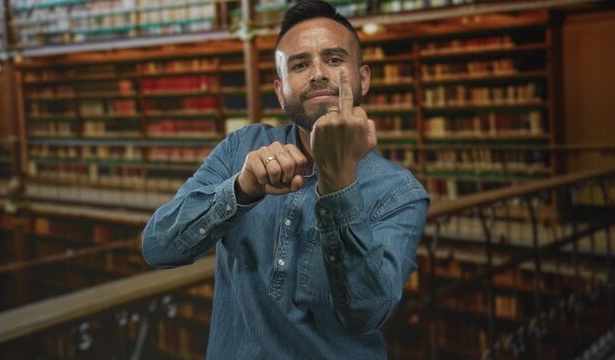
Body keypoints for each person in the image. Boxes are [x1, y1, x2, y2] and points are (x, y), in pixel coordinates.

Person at [142, 0, 429, 358]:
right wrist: (242, 189)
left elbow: (365, 313)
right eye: (299, 64)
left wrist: (339, 182)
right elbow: (156, 247)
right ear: (280, 91)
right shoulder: (239, 150)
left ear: (363, 78)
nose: (318, 73)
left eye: (335, 59)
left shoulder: (401, 192)